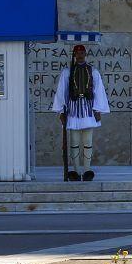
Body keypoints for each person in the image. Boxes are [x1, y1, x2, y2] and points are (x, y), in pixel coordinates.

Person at [52, 44, 109, 181]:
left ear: (85, 54)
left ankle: (87, 170)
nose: (80, 55)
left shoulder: (93, 71)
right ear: (74, 55)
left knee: (88, 141)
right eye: (77, 53)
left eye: (82, 52)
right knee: (74, 142)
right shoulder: (67, 72)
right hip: (73, 109)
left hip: (88, 109)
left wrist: (98, 109)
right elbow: (62, 92)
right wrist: (61, 111)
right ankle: (76, 171)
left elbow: (98, 91)